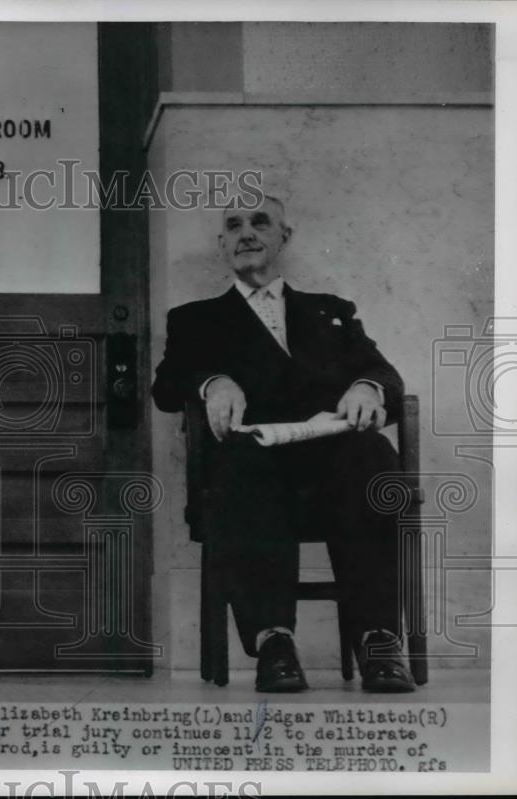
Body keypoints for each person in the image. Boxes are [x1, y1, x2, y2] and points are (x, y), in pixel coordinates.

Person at [151, 195, 416, 693]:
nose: (246, 232)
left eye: (260, 222)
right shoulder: (195, 319)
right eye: (234, 225)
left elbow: (384, 373)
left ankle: (378, 640)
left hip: (332, 463)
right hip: (254, 462)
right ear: (222, 243)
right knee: (241, 466)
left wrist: (368, 387)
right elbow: (167, 387)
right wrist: (212, 381)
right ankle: (274, 643)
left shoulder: (329, 311)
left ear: (283, 237)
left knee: (374, 456)